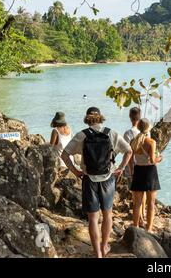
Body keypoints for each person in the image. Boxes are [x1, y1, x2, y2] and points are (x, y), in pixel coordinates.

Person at [61, 107, 132, 258]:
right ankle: (104, 245)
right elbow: (129, 151)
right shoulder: (111, 133)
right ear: (101, 117)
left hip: (89, 179)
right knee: (107, 215)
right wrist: (120, 168)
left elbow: (64, 155)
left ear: (87, 118)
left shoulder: (82, 135)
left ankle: (98, 253)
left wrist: (75, 171)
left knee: (93, 218)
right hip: (108, 179)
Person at [129, 118, 163, 233]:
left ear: (138, 127)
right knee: (151, 203)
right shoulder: (151, 142)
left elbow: (130, 158)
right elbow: (153, 160)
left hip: (138, 171)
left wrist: (131, 170)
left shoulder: (133, 141)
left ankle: (135, 227)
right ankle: (149, 228)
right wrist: (160, 158)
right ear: (148, 128)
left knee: (137, 203)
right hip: (150, 172)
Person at [123, 107, 146, 226]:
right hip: (144, 166)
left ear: (130, 117)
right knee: (143, 193)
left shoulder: (128, 133)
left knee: (135, 195)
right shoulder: (146, 132)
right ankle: (143, 216)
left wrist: (130, 169)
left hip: (133, 167)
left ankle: (140, 219)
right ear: (140, 116)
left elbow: (128, 152)